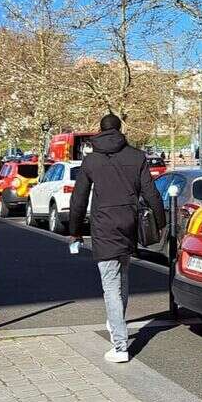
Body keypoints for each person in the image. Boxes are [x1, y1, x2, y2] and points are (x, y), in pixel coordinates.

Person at [68, 113, 166, 364]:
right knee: (122, 276)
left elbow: (78, 199)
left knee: (110, 283)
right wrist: (161, 221)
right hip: (128, 222)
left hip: (104, 225)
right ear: (120, 129)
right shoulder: (136, 156)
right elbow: (151, 192)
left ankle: (120, 345)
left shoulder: (91, 160)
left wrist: (75, 231)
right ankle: (116, 323)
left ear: (100, 130)